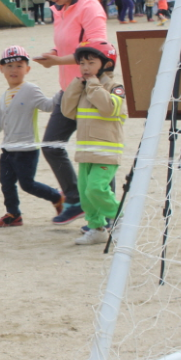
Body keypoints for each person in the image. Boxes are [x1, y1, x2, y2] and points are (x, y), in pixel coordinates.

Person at [32, 0, 108, 225]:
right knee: (51, 145)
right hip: (69, 90)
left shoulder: (90, 7)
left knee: (94, 154)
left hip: (91, 91)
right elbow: (69, 45)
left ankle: (107, 213)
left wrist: (57, 61)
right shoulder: (59, 9)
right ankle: (75, 201)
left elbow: (97, 52)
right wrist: (53, 54)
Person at [0, 46, 62, 227]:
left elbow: (47, 106)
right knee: (6, 182)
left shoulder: (30, 89)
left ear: (27, 69)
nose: (14, 70)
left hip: (26, 149)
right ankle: (13, 214)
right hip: (7, 149)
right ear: (1, 68)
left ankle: (57, 196)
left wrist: (63, 91)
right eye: (9, 66)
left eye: (19, 66)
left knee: (27, 184)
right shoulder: (4, 96)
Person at [60, 41, 127, 245]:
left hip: (106, 152)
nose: (85, 68)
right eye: (82, 63)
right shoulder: (84, 88)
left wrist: (93, 85)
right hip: (86, 151)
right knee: (85, 194)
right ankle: (97, 229)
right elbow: (67, 110)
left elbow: (109, 108)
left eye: (91, 62)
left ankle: (121, 220)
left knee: (96, 189)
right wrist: (76, 85)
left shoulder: (115, 88)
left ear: (107, 64)